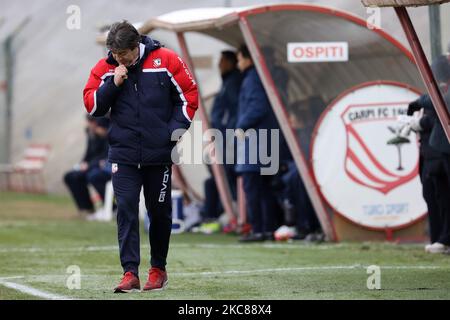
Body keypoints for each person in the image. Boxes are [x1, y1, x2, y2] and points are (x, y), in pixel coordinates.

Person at [83, 21, 198, 292]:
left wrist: (173, 132)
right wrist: (113, 83)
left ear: (136, 47)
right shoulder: (106, 68)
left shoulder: (166, 60)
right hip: (123, 155)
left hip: (159, 154)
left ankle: (158, 269)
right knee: (125, 210)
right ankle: (129, 273)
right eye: (113, 53)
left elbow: (188, 96)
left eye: (122, 53)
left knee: (158, 213)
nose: (117, 58)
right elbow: (92, 105)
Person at [235, 44, 279, 242]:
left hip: (256, 140)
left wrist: (241, 126)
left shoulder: (252, 78)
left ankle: (258, 229)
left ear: (249, 59)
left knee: (252, 185)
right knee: (264, 186)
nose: (238, 63)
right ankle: (268, 228)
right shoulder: (262, 75)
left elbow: (257, 106)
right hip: (265, 138)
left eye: (240, 58)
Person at [409, 55, 450, 253]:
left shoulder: (440, 92)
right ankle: (440, 238)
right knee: (435, 195)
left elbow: (437, 104)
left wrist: (421, 120)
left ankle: (443, 239)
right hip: (433, 152)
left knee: (441, 196)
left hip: (439, 152)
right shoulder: (438, 90)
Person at [199, 50, 242, 232]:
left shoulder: (233, 82)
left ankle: (235, 214)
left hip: (228, 139)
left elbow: (234, 111)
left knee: (227, 175)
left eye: (223, 61)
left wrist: (227, 134)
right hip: (222, 137)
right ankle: (215, 216)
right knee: (215, 178)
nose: (219, 65)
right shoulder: (227, 82)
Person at [64, 115, 110, 218]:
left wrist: (89, 165)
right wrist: (82, 164)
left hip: (102, 167)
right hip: (92, 166)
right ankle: (86, 208)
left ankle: (111, 207)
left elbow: (106, 155)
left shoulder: (107, 134)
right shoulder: (91, 134)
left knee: (93, 176)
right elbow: (88, 153)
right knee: (70, 176)